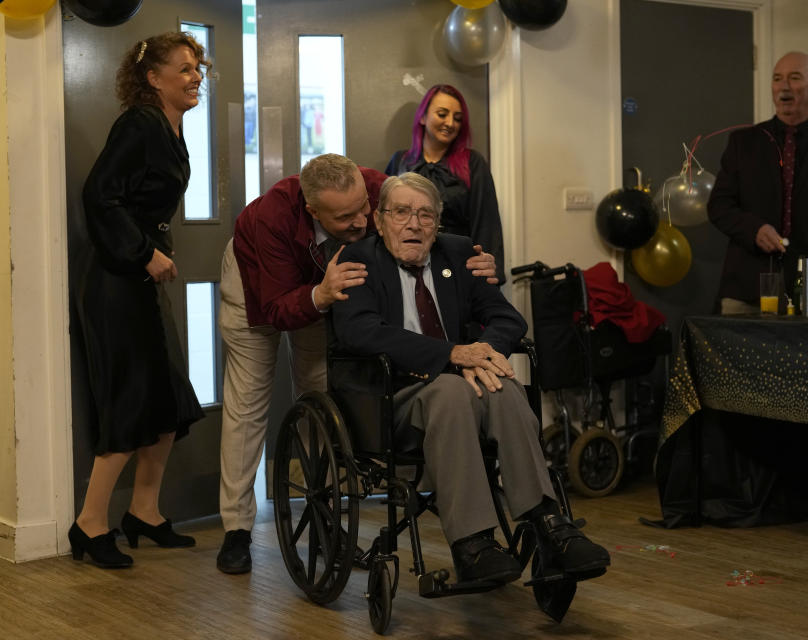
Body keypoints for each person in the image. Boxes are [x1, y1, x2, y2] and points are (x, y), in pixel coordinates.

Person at [216, 154, 498, 574]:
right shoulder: (268, 219)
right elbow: (277, 308)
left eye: (364, 208)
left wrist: (469, 262)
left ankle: (328, 520)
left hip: (327, 279)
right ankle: (236, 529)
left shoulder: (374, 189)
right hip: (258, 281)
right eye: (346, 217)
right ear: (313, 211)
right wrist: (319, 295)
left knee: (320, 389)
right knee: (249, 401)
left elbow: (419, 227)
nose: (362, 221)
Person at [332, 172, 610, 584]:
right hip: (394, 398)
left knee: (502, 384)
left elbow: (506, 318)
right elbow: (361, 332)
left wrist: (484, 353)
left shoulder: (458, 253)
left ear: (438, 223)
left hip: (462, 385)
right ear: (380, 219)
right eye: (402, 212)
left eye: (426, 215)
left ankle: (550, 526)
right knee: (452, 389)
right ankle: (472, 543)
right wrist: (452, 354)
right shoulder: (358, 260)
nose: (414, 224)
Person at [71, 32, 208, 568]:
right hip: (116, 280)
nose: (196, 76)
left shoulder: (169, 127)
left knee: (168, 400)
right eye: (185, 69)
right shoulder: (139, 123)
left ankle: (145, 513)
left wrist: (150, 256)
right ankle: (89, 524)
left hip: (140, 279)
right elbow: (98, 195)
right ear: (153, 78)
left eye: (199, 69)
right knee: (131, 400)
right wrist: (142, 253)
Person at [708, 51, 808, 314]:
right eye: (777, 78)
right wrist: (753, 229)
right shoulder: (743, 143)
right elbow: (719, 205)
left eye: (794, 78)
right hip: (746, 288)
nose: (784, 86)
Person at [386, 84, 505, 284]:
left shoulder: (473, 162)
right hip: (405, 266)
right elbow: (385, 220)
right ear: (422, 117)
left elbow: (486, 222)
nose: (450, 123)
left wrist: (487, 274)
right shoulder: (400, 162)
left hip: (458, 266)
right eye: (442, 114)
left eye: (457, 118)